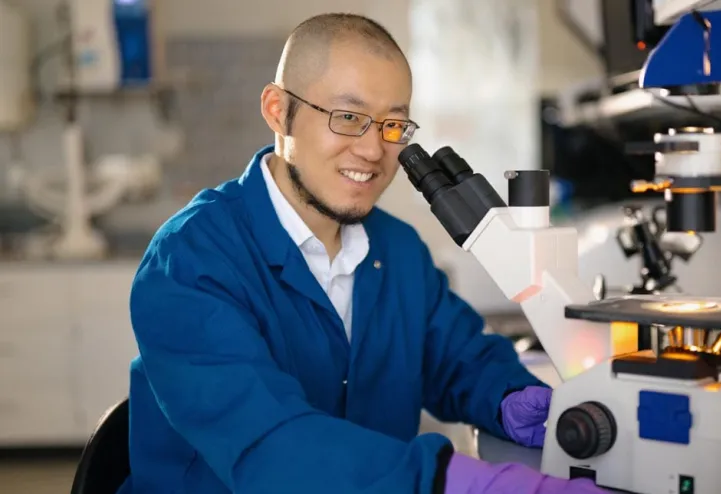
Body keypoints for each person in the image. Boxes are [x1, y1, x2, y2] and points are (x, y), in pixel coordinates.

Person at [117, 12, 606, 494]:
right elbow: (272, 447)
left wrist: (509, 397)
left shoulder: (397, 250)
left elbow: (460, 358)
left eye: (393, 125)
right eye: (348, 117)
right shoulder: (191, 261)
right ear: (276, 110)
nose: (374, 150)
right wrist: (448, 480)